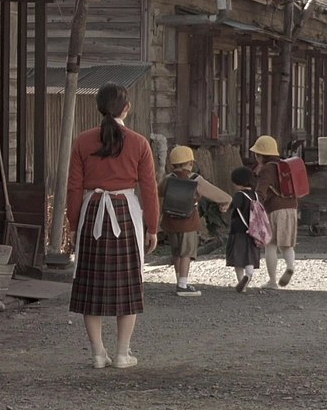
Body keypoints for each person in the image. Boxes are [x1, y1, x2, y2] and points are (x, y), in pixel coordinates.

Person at [66, 82, 159, 370]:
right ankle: (121, 354)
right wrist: (153, 227)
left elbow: (74, 187)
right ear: (126, 108)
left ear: (98, 107)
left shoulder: (83, 141)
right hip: (125, 212)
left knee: (90, 285)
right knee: (128, 285)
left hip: (92, 211)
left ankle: (97, 353)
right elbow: (149, 188)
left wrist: (73, 224)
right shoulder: (139, 143)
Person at [158, 145, 231, 296]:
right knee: (186, 253)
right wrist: (227, 199)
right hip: (188, 221)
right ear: (190, 163)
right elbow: (214, 193)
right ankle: (183, 285)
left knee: (176, 252)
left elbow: (159, 191)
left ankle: (179, 280)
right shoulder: (195, 179)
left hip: (170, 221)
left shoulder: (168, 178)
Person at [251, 135, 297, 289]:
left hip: (275, 209)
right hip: (291, 208)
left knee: (270, 245)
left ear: (260, 155)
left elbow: (260, 192)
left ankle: (272, 281)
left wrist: (255, 207)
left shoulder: (267, 169)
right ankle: (290, 266)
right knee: (287, 244)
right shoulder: (285, 165)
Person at [226, 166, 261, 293]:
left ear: (237, 182)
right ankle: (249, 274)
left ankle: (241, 282)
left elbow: (231, 206)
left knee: (238, 258)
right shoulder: (256, 195)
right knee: (249, 257)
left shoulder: (239, 195)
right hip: (253, 232)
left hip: (238, 231)